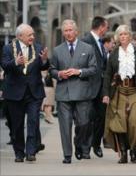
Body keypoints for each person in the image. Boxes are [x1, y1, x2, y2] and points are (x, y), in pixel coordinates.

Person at [102, 25, 136, 164]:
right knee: (120, 123)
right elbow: (108, 75)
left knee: (134, 121)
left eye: (125, 34)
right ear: (118, 37)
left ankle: (135, 149)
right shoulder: (114, 53)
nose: (123, 36)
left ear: (129, 36)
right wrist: (106, 94)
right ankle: (123, 152)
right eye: (121, 35)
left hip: (135, 91)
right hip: (119, 92)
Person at [49, 19, 97, 164]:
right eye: (66, 31)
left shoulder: (87, 48)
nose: (68, 33)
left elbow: (94, 69)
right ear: (63, 33)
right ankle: (67, 155)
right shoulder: (57, 50)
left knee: (83, 124)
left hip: (82, 93)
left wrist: (79, 71)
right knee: (65, 126)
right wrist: (59, 74)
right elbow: (51, 69)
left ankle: (79, 143)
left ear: (76, 31)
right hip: (64, 93)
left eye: (71, 30)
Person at [0, 23, 49, 162]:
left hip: (34, 93)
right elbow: (4, 65)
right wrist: (14, 62)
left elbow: (43, 66)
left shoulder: (38, 47)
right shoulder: (8, 48)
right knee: (17, 125)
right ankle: (19, 153)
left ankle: (31, 152)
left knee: (33, 122)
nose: (33, 37)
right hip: (15, 93)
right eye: (30, 35)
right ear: (20, 36)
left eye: (33, 34)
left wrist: (45, 60)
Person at [81, 16, 109, 158]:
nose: (107, 30)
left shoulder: (100, 43)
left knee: (101, 118)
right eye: (106, 27)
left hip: (101, 88)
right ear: (101, 27)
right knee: (87, 119)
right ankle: (85, 148)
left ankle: (96, 144)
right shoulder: (86, 41)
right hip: (89, 87)